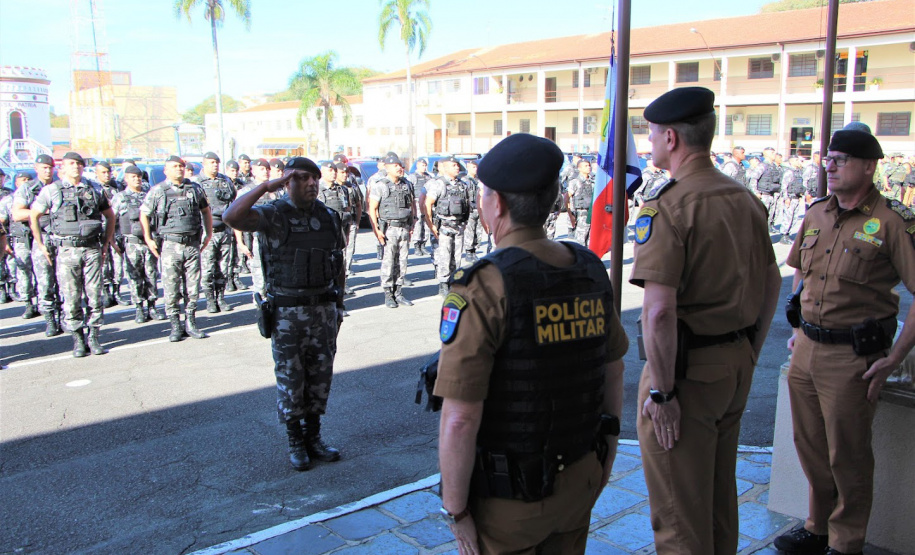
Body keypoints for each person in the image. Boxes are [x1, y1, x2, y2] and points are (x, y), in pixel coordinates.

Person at [435, 133, 627, 554]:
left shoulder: (483, 285)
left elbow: (460, 418)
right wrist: (604, 460)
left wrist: (456, 511)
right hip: (580, 479)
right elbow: (613, 370)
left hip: (510, 502)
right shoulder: (590, 269)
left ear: (496, 203)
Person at [630, 87, 780, 554]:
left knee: (678, 517)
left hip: (686, 375)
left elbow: (657, 312)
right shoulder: (744, 197)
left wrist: (663, 391)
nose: (648, 142)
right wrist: (749, 350)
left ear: (670, 137)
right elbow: (773, 282)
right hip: (733, 363)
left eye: (651, 133)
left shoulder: (668, 206)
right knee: (716, 498)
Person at [773, 130, 915, 555]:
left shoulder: (893, 222)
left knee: (848, 456)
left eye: (840, 159)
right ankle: (817, 528)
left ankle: (846, 542)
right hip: (808, 350)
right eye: (828, 159)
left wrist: (894, 359)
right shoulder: (817, 213)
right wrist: (798, 329)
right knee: (810, 446)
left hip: (854, 357)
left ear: (869, 166)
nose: (829, 166)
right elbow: (798, 269)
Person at [222, 156, 345, 472]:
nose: (310, 183)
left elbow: (337, 265)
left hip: (323, 309)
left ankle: (313, 437)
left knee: (319, 377)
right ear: (287, 182)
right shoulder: (273, 215)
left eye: (314, 178)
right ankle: (295, 440)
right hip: (288, 312)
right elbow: (231, 216)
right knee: (292, 379)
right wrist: (265, 186)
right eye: (302, 177)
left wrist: (339, 306)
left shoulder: (329, 217)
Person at [30, 152, 117, 357]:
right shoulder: (52, 190)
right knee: (71, 296)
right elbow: (34, 215)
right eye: (71, 164)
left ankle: (94, 337)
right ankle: (78, 339)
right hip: (67, 250)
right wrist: (41, 244)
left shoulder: (94, 189)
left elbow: (110, 216)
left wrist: (105, 243)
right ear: (63, 167)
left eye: (79, 163)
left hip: (91, 249)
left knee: (95, 294)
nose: (76, 167)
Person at [140, 156, 213, 342]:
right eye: (175, 167)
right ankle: (175, 325)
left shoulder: (195, 189)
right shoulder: (158, 191)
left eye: (181, 166)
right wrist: (148, 238)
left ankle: (191, 322)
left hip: (191, 243)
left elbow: (206, 211)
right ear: (166, 171)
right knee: (171, 287)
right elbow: (144, 214)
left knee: (192, 287)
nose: (179, 169)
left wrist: (208, 233)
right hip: (170, 245)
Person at [111, 165, 164, 323]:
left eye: (139, 176)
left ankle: (152, 306)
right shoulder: (120, 198)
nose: (137, 179)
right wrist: (115, 241)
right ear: (126, 179)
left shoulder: (149, 195)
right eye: (133, 177)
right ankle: (139, 308)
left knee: (151, 275)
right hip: (131, 243)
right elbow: (111, 220)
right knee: (135, 277)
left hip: (149, 242)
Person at [11, 154, 56, 324]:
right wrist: (42, 212)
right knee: (42, 278)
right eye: (44, 167)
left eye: (50, 167)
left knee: (62, 279)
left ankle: (63, 314)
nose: (47, 170)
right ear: (36, 168)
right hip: (35, 239)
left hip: (59, 237)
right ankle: (48, 316)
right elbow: (17, 214)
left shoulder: (59, 186)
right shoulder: (28, 189)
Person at [368, 153, 415, 308]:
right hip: (389, 229)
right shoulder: (380, 185)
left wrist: (412, 223)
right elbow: (372, 209)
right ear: (387, 168)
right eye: (396, 166)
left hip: (404, 228)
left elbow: (411, 206)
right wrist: (377, 231)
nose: (400, 169)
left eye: (400, 166)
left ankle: (399, 292)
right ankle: (388, 294)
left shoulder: (407, 184)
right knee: (388, 262)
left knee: (402, 262)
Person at [195, 152, 237, 313]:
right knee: (208, 267)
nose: (215, 165)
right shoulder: (197, 183)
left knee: (223, 267)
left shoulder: (225, 181)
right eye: (211, 162)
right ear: (204, 163)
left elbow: (233, 202)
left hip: (225, 230)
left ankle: (221, 297)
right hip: (208, 232)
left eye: (217, 162)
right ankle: (210, 300)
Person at [425, 155, 471, 297]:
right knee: (444, 257)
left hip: (459, 226)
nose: (457, 167)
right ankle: (443, 284)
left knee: (456, 257)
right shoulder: (439, 184)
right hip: (444, 227)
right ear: (444, 167)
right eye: (453, 165)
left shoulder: (462, 185)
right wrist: (431, 225)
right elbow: (428, 203)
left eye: (457, 165)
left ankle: (454, 282)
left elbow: (467, 204)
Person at [94, 161, 127, 307]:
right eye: (103, 172)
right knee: (105, 263)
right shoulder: (93, 188)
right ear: (97, 173)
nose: (107, 175)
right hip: (101, 229)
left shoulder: (118, 187)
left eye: (108, 172)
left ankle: (117, 291)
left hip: (118, 229)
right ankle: (107, 292)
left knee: (118, 263)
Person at [566, 158, 595, 245]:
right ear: (579, 168)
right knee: (581, 241)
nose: (588, 167)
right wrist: (570, 215)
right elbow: (566, 197)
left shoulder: (593, 181)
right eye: (585, 166)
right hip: (581, 214)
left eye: (589, 165)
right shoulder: (575, 182)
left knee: (591, 241)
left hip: (592, 214)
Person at [779, 155, 807, 243]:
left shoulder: (798, 172)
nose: (798, 161)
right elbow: (784, 186)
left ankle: (788, 235)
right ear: (791, 162)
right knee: (788, 218)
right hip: (790, 198)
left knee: (794, 218)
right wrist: (786, 198)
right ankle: (784, 236)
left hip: (796, 197)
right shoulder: (789, 172)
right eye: (796, 160)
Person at [409, 157, 434, 255]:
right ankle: (417, 245)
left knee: (427, 223)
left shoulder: (428, 177)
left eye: (425, 166)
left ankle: (423, 244)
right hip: (416, 202)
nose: (424, 167)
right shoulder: (413, 177)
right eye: (422, 165)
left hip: (426, 202)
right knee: (418, 223)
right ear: (418, 165)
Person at [462, 159, 485, 262]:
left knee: (478, 232)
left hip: (479, 209)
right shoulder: (464, 180)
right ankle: (468, 252)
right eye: (473, 167)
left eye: (476, 167)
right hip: (470, 210)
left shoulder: (479, 180)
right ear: (468, 167)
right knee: (469, 231)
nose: (475, 169)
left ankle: (474, 250)